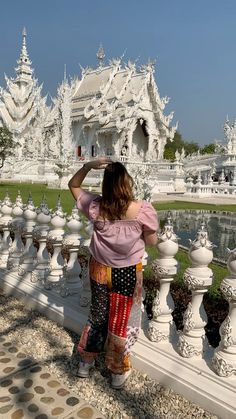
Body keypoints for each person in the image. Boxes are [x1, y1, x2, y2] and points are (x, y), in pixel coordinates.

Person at [68, 157, 158, 389]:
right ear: (126, 182)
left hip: (99, 268)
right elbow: (151, 241)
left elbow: (73, 185)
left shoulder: (96, 206)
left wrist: (88, 166)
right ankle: (117, 371)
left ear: (106, 185)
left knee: (97, 315)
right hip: (126, 270)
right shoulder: (142, 210)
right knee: (120, 320)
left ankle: (85, 363)